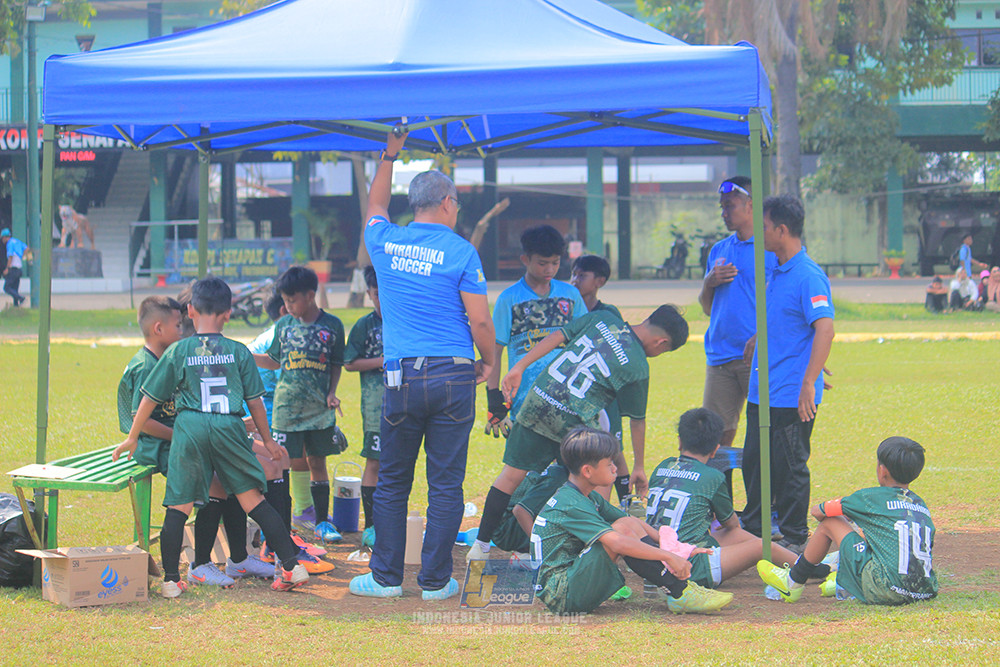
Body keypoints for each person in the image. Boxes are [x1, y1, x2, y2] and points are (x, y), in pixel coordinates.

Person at [349, 129, 495, 601]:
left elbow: (373, 206)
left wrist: (389, 155)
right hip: (454, 374)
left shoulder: (386, 241)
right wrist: (487, 362)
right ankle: (436, 582)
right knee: (445, 483)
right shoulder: (461, 251)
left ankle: (386, 578)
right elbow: (480, 320)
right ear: (448, 203)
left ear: (415, 205)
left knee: (393, 479)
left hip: (401, 377)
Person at [113, 277, 308, 597]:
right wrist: (269, 440)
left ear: (190, 310)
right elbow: (256, 401)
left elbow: (148, 398)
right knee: (253, 500)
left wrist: (133, 437)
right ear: (229, 313)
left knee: (179, 506)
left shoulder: (179, 351)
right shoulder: (238, 352)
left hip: (190, 429)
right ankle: (290, 565)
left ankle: (172, 580)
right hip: (228, 427)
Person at [468, 305, 688, 561]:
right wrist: (638, 465)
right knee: (598, 480)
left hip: (538, 399)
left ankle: (481, 546)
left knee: (509, 478)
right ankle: (592, 553)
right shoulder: (638, 366)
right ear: (662, 342)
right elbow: (637, 421)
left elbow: (555, 338)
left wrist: (519, 367)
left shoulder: (603, 318)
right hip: (571, 423)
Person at [531, 427, 733, 615]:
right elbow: (619, 541)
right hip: (563, 596)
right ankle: (681, 592)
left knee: (627, 524)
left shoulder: (584, 496)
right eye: (609, 463)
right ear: (587, 471)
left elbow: (630, 521)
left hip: (570, 581)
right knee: (622, 532)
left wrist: (679, 548)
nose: (615, 467)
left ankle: (681, 591)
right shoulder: (571, 503)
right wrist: (668, 557)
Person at [742, 194, 835, 553]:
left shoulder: (808, 275)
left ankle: (795, 538)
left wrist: (808, 379)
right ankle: (755, 532)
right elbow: (790, 324)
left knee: (790, 467)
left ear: (781, 230)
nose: (759, 233)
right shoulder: (778, 271)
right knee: (756, 464)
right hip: (761, 390)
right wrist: (756, 339)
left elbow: (824, 328)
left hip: (790, 393)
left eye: (764, 227)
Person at [645, 408, 813, 589]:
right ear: (716, 449)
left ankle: (803, 563)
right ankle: (812, 569)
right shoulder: (712, 476)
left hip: (653, 559)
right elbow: (732, 525)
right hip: (690, 565)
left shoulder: (662, 466)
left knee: (731, 536)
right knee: (761, 546)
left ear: (680, 441)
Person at [758, 436, 937, 605]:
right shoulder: (921, 504)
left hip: (885, 588)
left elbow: (818, 512)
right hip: (924, 589)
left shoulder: (869, 498)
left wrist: (848, 515)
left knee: (830, 522)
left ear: (882, 471)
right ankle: (840, 579)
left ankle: (792, 582)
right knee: (870, 535)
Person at [254, 266, 345, 545]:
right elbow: (274, 361)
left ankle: (321, 523)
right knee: (281, 464)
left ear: (310, 295)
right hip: (286, 409)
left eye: (292, 300)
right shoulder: (283, 326)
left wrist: (332, 393)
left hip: (318, 410)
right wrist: (249, 356)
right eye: (285, 301)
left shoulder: (332, 326)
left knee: (317, 461)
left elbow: (336, 363)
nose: (288, 306)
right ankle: (283, 524)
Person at [485, 224, 587, 438]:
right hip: (525, 402)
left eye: (555, 263)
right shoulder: (509, 298)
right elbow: (495, 351)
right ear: (525, 260)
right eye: (542, 263)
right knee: (524, 469)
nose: (549, 269)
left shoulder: (571, 295)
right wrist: (494, 399)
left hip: (568, 401)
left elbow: (586, 341)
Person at [699, 177, 777, 449]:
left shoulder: (771, 249)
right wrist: (709, 282)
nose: (724, 213)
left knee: (764, 433)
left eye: (730, 206)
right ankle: (722, 492)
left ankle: (767, 493)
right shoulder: (719, 250)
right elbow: (708, 307)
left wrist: (762, 335)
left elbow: (784, 304)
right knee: (714, 439)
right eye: (721, 207)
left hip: (756, 357)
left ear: (751, 205)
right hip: (720, 356)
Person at [570, 254, 631, 503]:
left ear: (600, 281)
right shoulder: (568, 309)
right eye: (573, 273)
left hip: (604, 392)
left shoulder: (608, 313)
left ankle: (629, 503)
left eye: (582, 275)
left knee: (614, 449)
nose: (574, 280)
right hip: (577, 390)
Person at [343, 265, 384, 549]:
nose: (384, 298)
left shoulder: (407, 321)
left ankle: (392, 521)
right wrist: (381, 362)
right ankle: (371, 525)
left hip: (409, 406)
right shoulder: (364, 326)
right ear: (370, 293)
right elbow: (349, 362)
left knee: (401, 464)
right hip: (376, 407)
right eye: (378, 293)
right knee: (375, 461)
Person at [1, 228, 27, 307]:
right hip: (19, 269)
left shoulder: (9, 243)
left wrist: (7, 269)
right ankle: (16, 306)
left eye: (2, 238)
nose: (2, 240)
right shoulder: (17, 241)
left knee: (7, 288)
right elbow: (27, 248)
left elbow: (10, 257)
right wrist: (23, 256)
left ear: (5, 237)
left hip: (13, 269)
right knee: (15, 288)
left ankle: (21, 298)